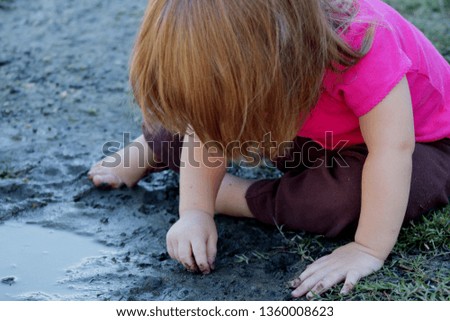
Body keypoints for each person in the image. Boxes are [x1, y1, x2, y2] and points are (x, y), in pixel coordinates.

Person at [88, 0, 450, 299]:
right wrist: (194, 211)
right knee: (197, 108)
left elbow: (392, 149)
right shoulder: (263, 69)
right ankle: (153, 147)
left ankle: (233, 195)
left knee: (347, 199)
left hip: (415, 144)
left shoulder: (361, 40)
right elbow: (208, 125)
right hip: (302, 129)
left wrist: (367, 248)